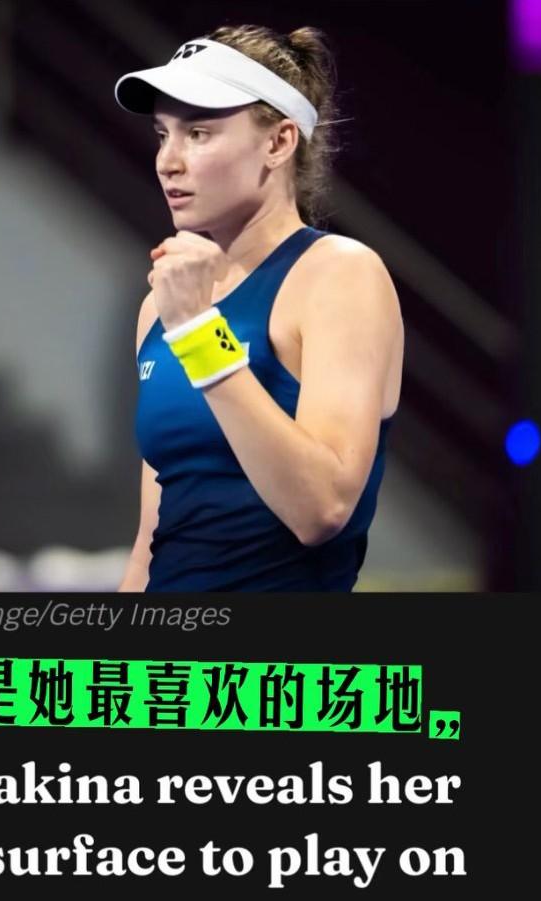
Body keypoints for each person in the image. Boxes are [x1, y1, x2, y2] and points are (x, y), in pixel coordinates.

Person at [114, 25, 404, 592]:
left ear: (278, 143)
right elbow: (153, 540)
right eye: (163, 134)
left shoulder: (340, 275)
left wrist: (199, 332)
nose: (168, 161)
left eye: (198, 133)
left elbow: (322, 508)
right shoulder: (160, 308)